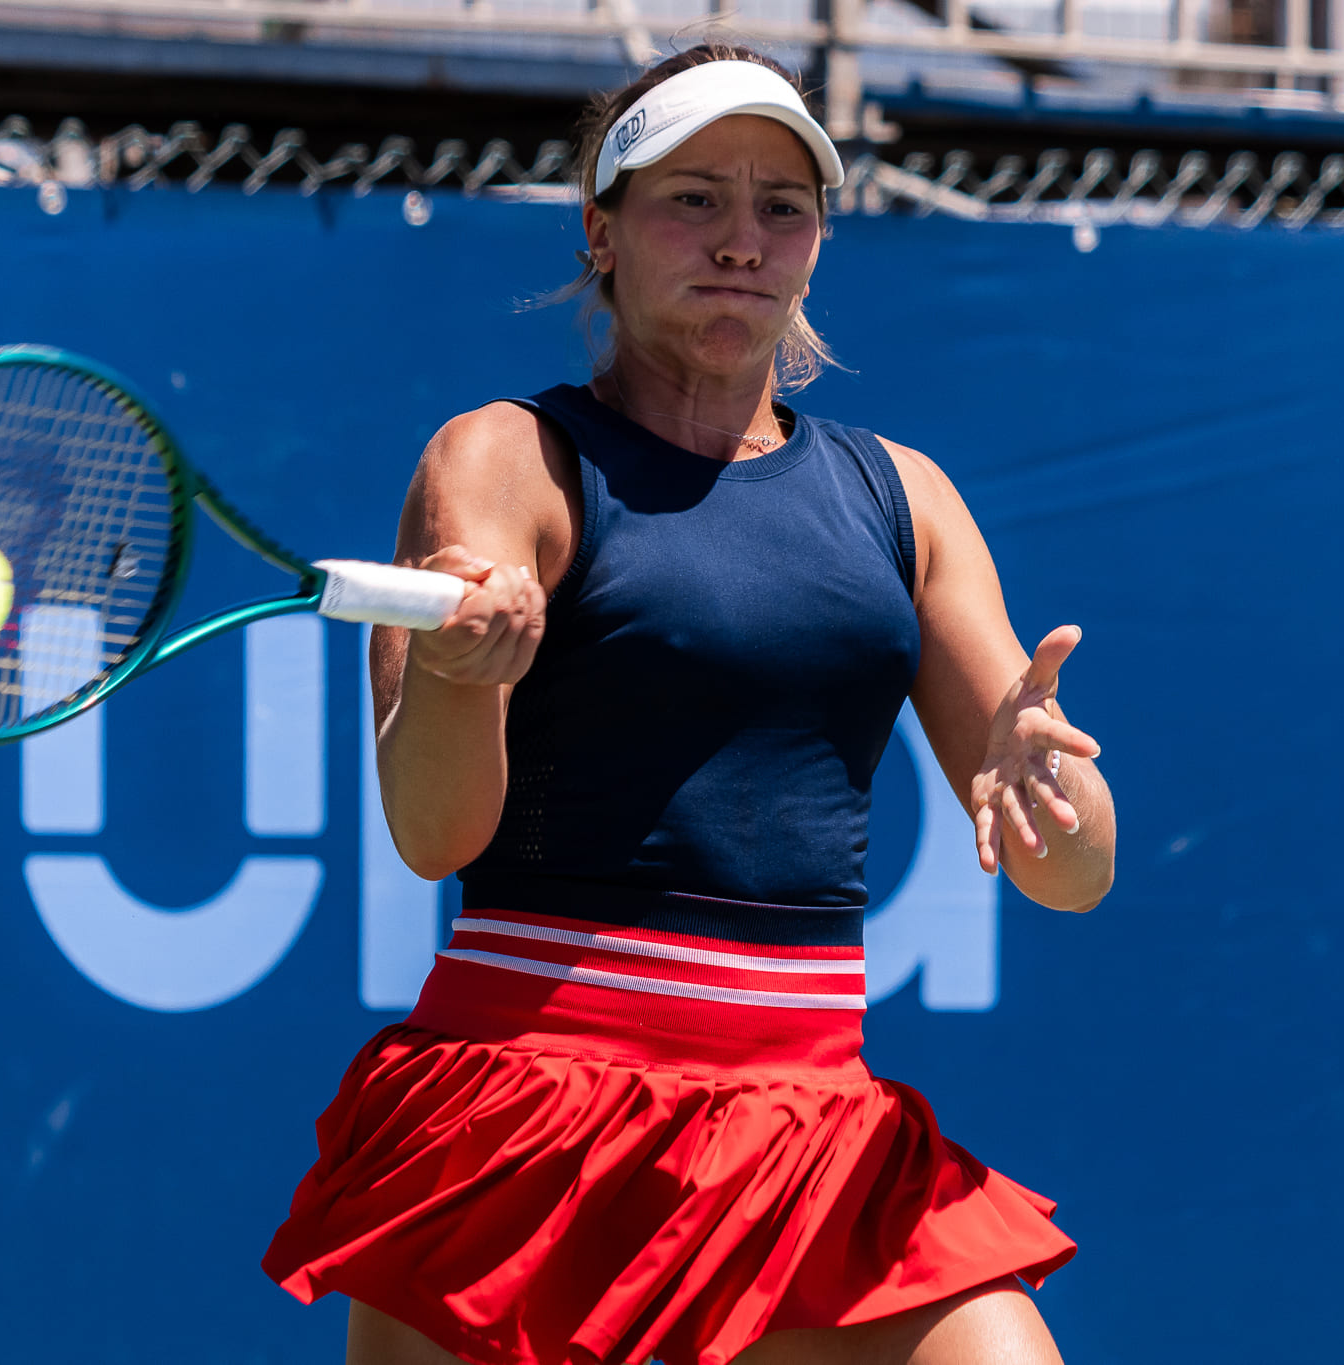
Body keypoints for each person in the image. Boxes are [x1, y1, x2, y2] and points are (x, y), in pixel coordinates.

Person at [263, 43, 1117, 1365]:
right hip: (527, 1111)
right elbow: (433, 834)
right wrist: (459, 676)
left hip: (807, 1126)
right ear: (601, 233)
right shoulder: (504, 459)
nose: (741, 240)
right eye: (694, 199)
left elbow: (1076, 876)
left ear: (817, 246)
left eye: (782, 207)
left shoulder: (908, 499)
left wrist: (1041, 775)